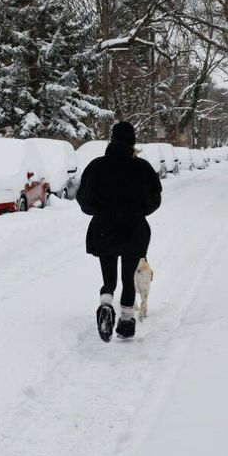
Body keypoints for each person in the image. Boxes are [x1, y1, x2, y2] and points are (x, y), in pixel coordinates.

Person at [75, 122, 162, 341]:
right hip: (134, 229)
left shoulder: (96, 166)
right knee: (128, 277)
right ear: (132, 141)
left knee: (110, 278)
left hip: (104, 228)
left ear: (111, 140)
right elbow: (154, 200)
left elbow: (84, 201)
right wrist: (138, 211)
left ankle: (105, 303)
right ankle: (125, 322)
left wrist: (101, 211)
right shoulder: (142, 168)